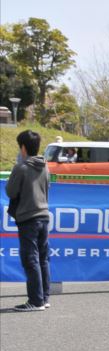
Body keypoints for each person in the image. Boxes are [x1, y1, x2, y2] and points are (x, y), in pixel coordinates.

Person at [6, 130, 51, 311]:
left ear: (23, 147)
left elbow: (10, 192)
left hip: (28, 218)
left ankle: (35, 301)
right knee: (43, 258)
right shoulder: (45, 166)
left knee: (30, 259)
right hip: (44, 216)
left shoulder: (21, 168)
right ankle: (44, 297)